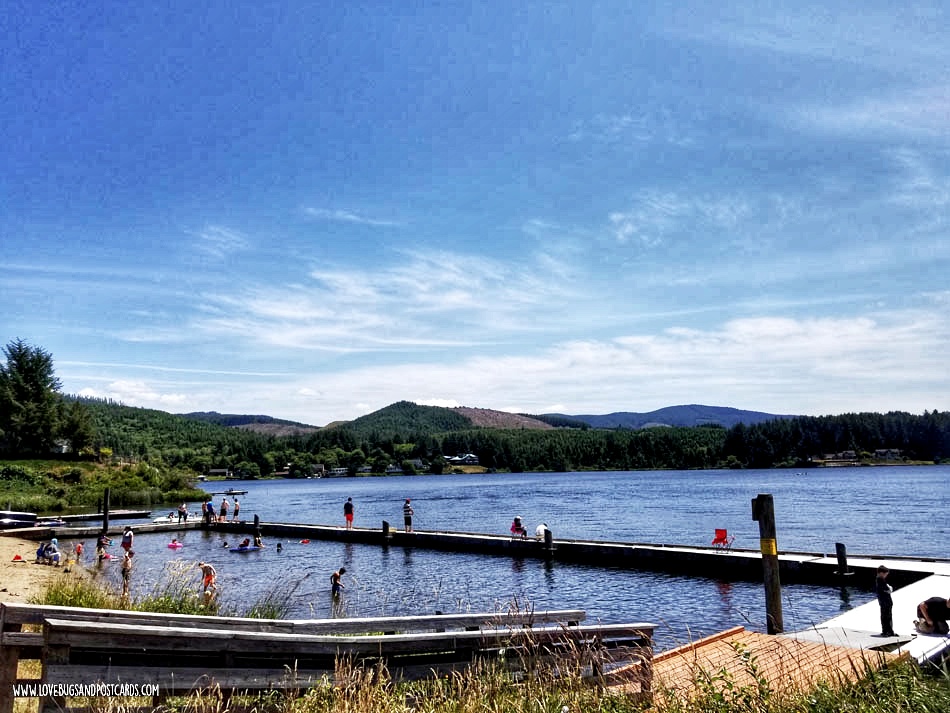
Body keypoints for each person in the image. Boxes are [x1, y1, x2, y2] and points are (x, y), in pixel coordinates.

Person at [875, 565, 895, 636]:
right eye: (885, 574)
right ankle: (886, 631)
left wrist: (889, 588)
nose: (886, 576)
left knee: (888, 616)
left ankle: (890, 631)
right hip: (884, 601)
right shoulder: (880, 580)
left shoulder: (881, 580)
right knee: (885, 616)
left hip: (886, 601)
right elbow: (888, 589)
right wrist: (889, 588)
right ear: (881, 573)